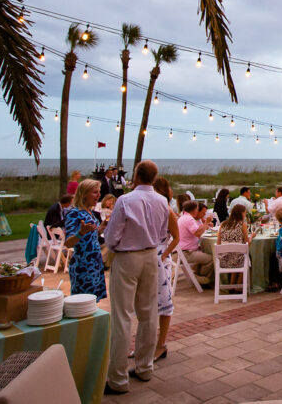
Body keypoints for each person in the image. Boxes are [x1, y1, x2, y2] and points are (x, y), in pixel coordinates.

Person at [103, 160, 169, 395]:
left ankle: (118, 379)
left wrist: (119, 245)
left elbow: (111, 237)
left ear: (136, 176)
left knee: (121, 316)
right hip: (151, 256)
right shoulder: (162, 201)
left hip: (128, 257)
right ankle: (144, 367)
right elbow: (163, 233)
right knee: (149, 312)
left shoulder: (125, 200)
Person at [150, 177, 180, 363]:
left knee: (163, 302)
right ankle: (147, 343)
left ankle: (161, 344)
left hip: (161, 259)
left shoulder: (167, 210)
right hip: (147, 257)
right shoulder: (151, 209)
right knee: (148, 304)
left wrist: (164, 254)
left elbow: (176, 238)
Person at [64, 180, 108, 300]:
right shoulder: (74, 213)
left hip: (95, 263)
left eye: (99, 192)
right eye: (95, 192)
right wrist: (80, 233)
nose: (99, 195)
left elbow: (90, 235)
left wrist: (100, 229)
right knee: (83, 303)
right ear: (83, 194)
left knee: (93, 302)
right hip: (83, 266)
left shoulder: (90, 212)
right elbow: (68, 243)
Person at [177, 200, 215, 283]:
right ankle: (201, 279)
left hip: (182, 251)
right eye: (197, 209)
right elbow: (198, 233)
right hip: (186, 253)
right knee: (211, 259)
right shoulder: (189, 219)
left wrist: (205, 224)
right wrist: (207, 222)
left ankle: (198, 277)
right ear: (194, 209)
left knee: (204, 252)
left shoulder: (184, 217)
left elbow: (197, 230)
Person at [217, 204, 251, 288]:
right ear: (242, 214)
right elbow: (246, 244)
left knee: (236, 254)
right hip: (237, 259)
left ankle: (232, 285)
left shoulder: (223, 224)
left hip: (223, 260)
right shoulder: (242, 224)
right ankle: (238, 287)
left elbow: (218, 243)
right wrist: (252, 237)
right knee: (245, 256)